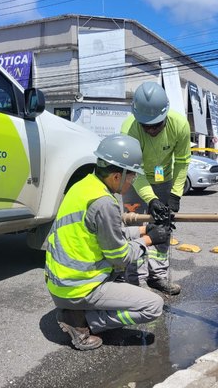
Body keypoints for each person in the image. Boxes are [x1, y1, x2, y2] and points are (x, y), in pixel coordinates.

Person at [45, 134, 171, 350]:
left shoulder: (84, 186)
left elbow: (107, 232)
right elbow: (120, 257)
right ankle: (85, 323)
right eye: (131, 176)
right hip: (79, 287)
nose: (132, 182)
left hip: (61, 282)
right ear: (116, 176)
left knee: (121, 277)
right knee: (153, 306)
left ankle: (78, 312)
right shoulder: (105, 203)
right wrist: (149, 240)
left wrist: (143, 229)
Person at [121, 81, 191, 295]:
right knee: (133, 229)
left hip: (163, 180)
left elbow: (182, 161)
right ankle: (133, 281)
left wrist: (175, 193)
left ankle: (158, 277)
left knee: (163, 227)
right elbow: (135, 170)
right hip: (135, 181)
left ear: (165, 114)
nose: (151, 129)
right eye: (146, 125)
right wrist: (151, 199)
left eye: (156, 124)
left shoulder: (179, 125)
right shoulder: (129, 129)